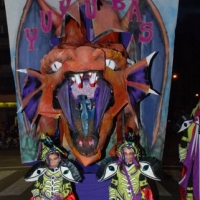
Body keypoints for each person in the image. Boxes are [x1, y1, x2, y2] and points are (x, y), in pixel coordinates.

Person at [25, 133, 82, 200]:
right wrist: (37, 196)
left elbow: (68, 188)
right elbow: (36, 187)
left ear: (59, 159)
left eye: (55, 159)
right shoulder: (43, 172)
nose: (52, 162)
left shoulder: (63, 172)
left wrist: (62, 195)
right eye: (50, 159)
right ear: (46, 160)